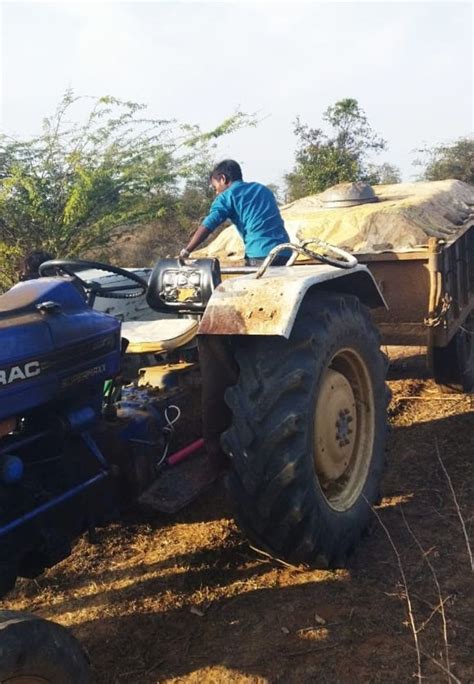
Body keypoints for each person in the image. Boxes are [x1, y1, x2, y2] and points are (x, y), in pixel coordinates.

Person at [180, 159, 291, 266]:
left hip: (259, 254)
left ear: (223, 179)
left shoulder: (227, 196)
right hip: (285, 252)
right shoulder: (263, 189)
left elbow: (209, 224)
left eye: (215, 187)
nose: (216, 192)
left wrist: (187, 250)